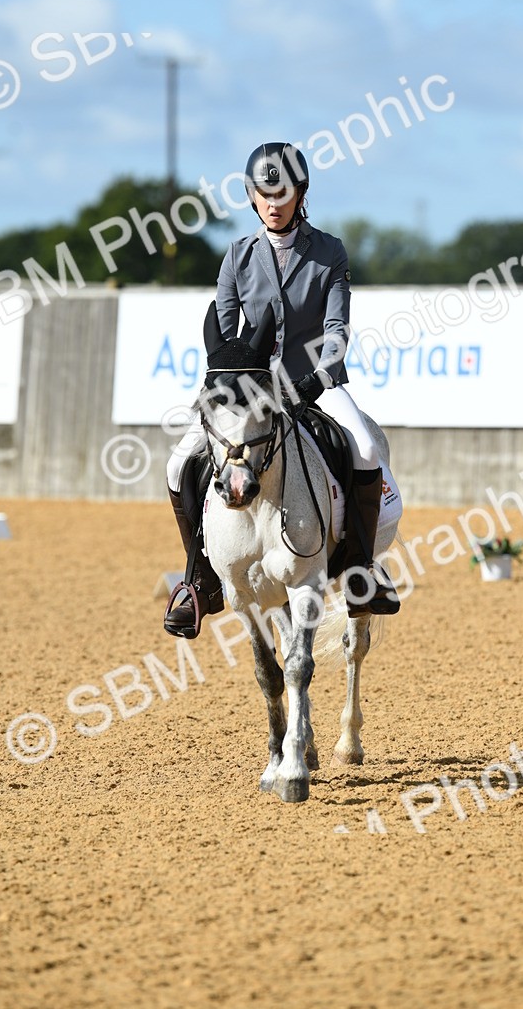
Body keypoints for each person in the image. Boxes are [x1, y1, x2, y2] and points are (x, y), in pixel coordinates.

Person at [164, 141, 400, 637]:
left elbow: (337, 331)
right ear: (252, 197)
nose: (274, 203)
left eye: (284, 193)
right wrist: (230, 385)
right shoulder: (238, 256)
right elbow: (225, 336)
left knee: (363, 448)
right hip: (248, 392)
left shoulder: (329, 252)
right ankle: (198, 579)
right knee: (178, 463)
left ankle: (360, 570)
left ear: (301, 194)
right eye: (265, 194)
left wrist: (315, 378)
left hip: (314, 383)